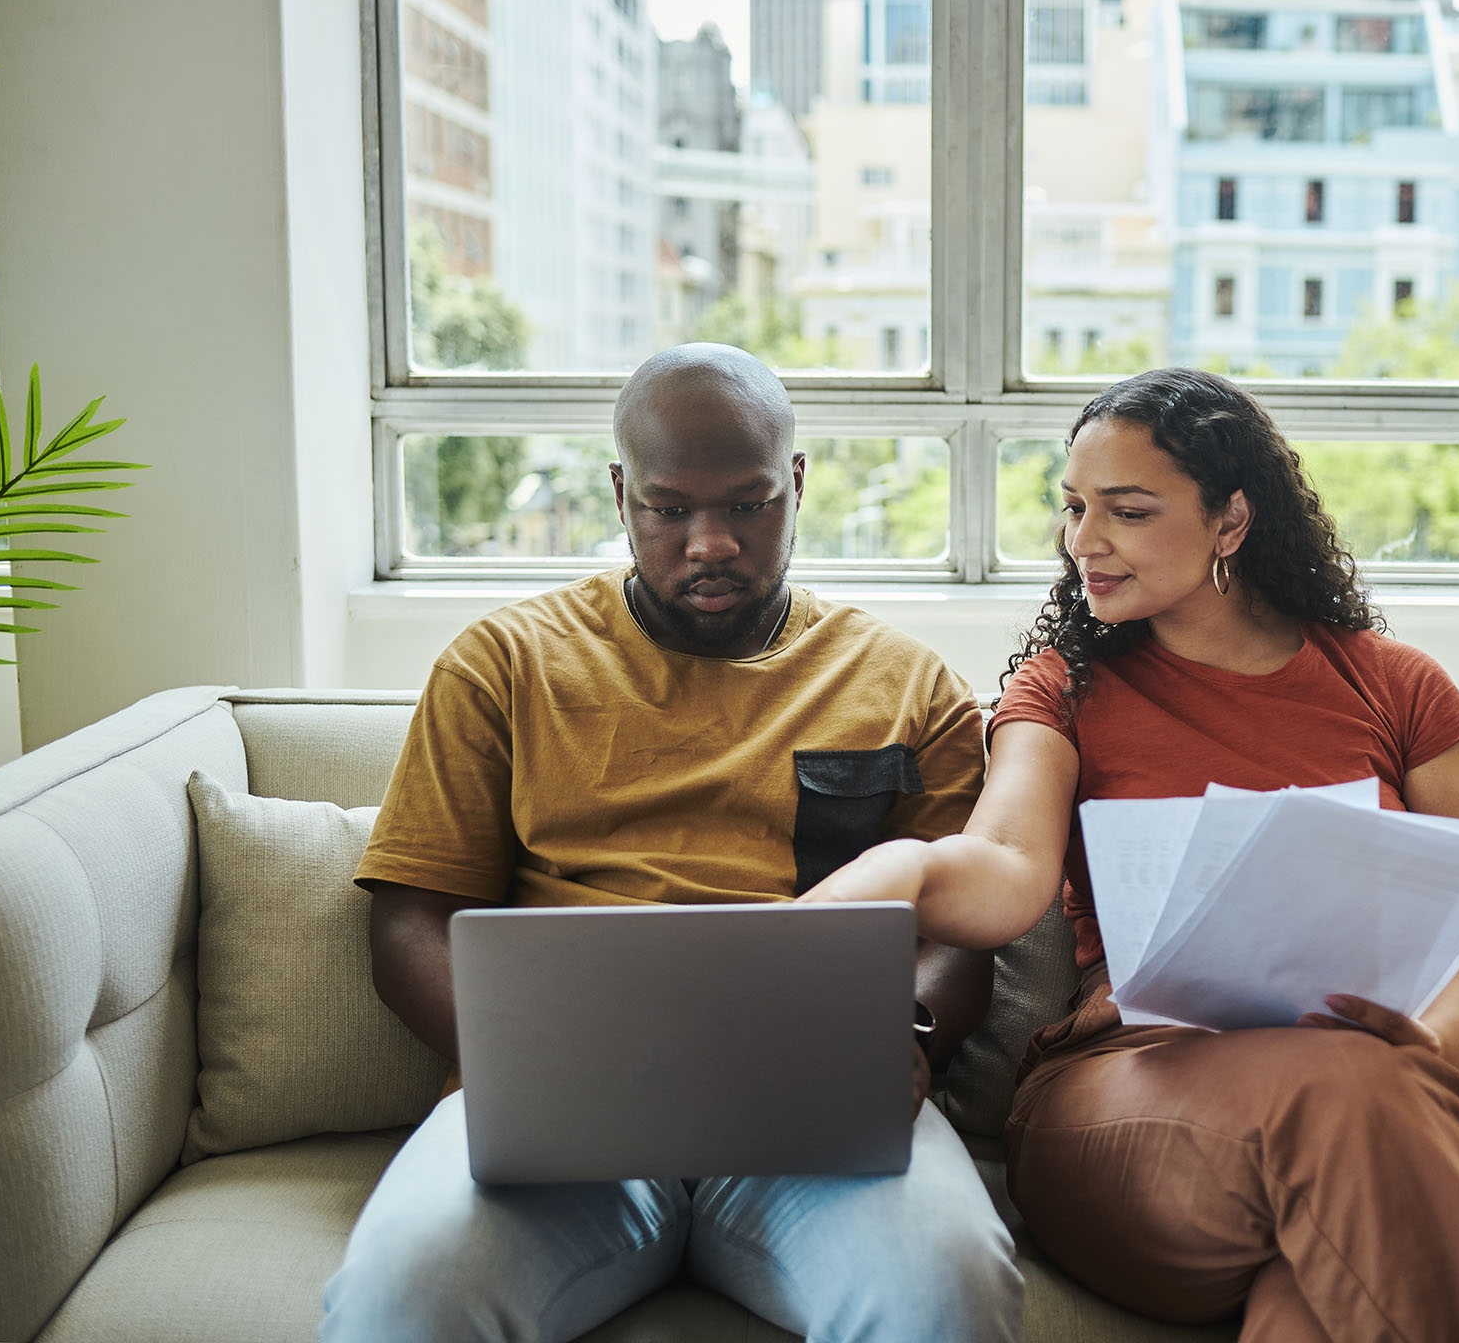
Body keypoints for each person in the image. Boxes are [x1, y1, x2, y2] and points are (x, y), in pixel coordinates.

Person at [803, 368, 1459, 1342]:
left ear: (1230, 521)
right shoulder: (1062, 687)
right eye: (1072, 507)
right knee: (1353, 1099)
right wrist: (896, 878)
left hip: (1365, 1103)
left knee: (1324, 1263)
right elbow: (1006, 866)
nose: (1081, 540)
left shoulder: (1397, 687)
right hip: (1127, 1093)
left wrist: (1423, 1052)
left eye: (1126, 512)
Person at [321, 343, 1023, 1343]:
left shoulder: (907, 686)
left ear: (796, 484)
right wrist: (551, 1068)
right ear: (619, 493)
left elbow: (960, 935)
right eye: (668, 508)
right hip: (562, 1124)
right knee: (404, 1294)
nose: (711, 544)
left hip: (813, 1123)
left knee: (945, 1289)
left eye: (747, 505)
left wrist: (901, 1035)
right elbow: (408, 925)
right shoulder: (504, 665)